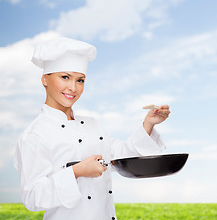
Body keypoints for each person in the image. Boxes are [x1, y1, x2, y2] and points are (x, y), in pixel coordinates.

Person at [14, 37, 170, 220]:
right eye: (65, 77)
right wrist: (76, 172)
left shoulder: (92, 124)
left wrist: (149, 123)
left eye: (80, 80)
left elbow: (121, 156)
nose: (73, 88)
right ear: (45, 79)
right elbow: (33, 197)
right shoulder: (35, 134)